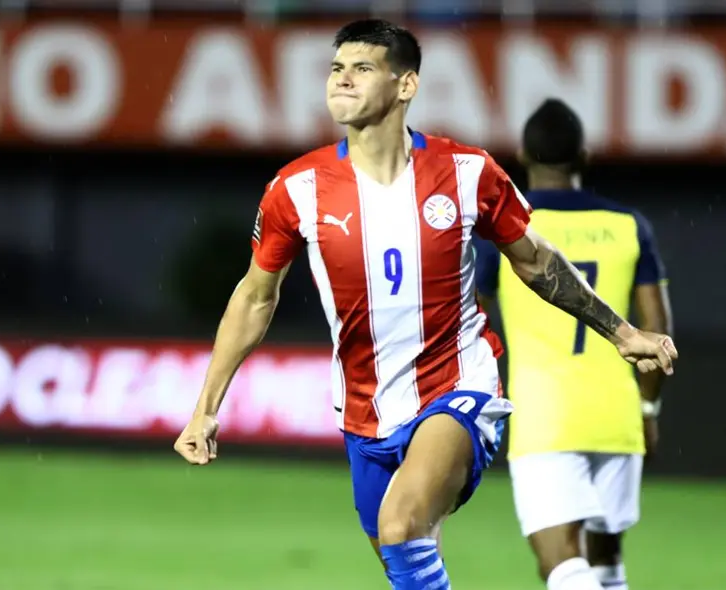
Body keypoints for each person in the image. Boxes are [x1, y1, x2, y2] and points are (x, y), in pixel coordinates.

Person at [172, 20, 677, 590]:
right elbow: (254, 298)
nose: (342, 80)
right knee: (405, 555)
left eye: (362, 68)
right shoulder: (296, 188)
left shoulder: (467, 173)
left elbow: (535, 261)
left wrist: (622, 333)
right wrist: (206, 406)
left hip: (459, 384)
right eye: (336, 69)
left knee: (399, 521)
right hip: (364, 409)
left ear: (406, 85)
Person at [474, 98, 672, 590]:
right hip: (618, 413)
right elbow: (657, 327)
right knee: (606, 562)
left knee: (560, 565)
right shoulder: (630, 226)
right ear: (584, 156)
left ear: (521, 153)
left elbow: (467, 317)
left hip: (546, 416)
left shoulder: (506, 229)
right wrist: (648, 412)